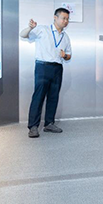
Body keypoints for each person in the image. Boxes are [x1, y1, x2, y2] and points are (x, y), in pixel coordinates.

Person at [20, 8, 72, 138]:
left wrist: (65, 56)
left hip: (57, 68)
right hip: (43, 66)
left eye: (67, 19)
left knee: (53, 97)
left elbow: (69, 55)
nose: (65, 21)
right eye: (63, 18)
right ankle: (33, 127)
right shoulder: (43, 29)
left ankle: (49, 123)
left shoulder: (65, 37)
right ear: (55, 17)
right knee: (38, 96)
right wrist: (30, 28)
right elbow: (23, 35)